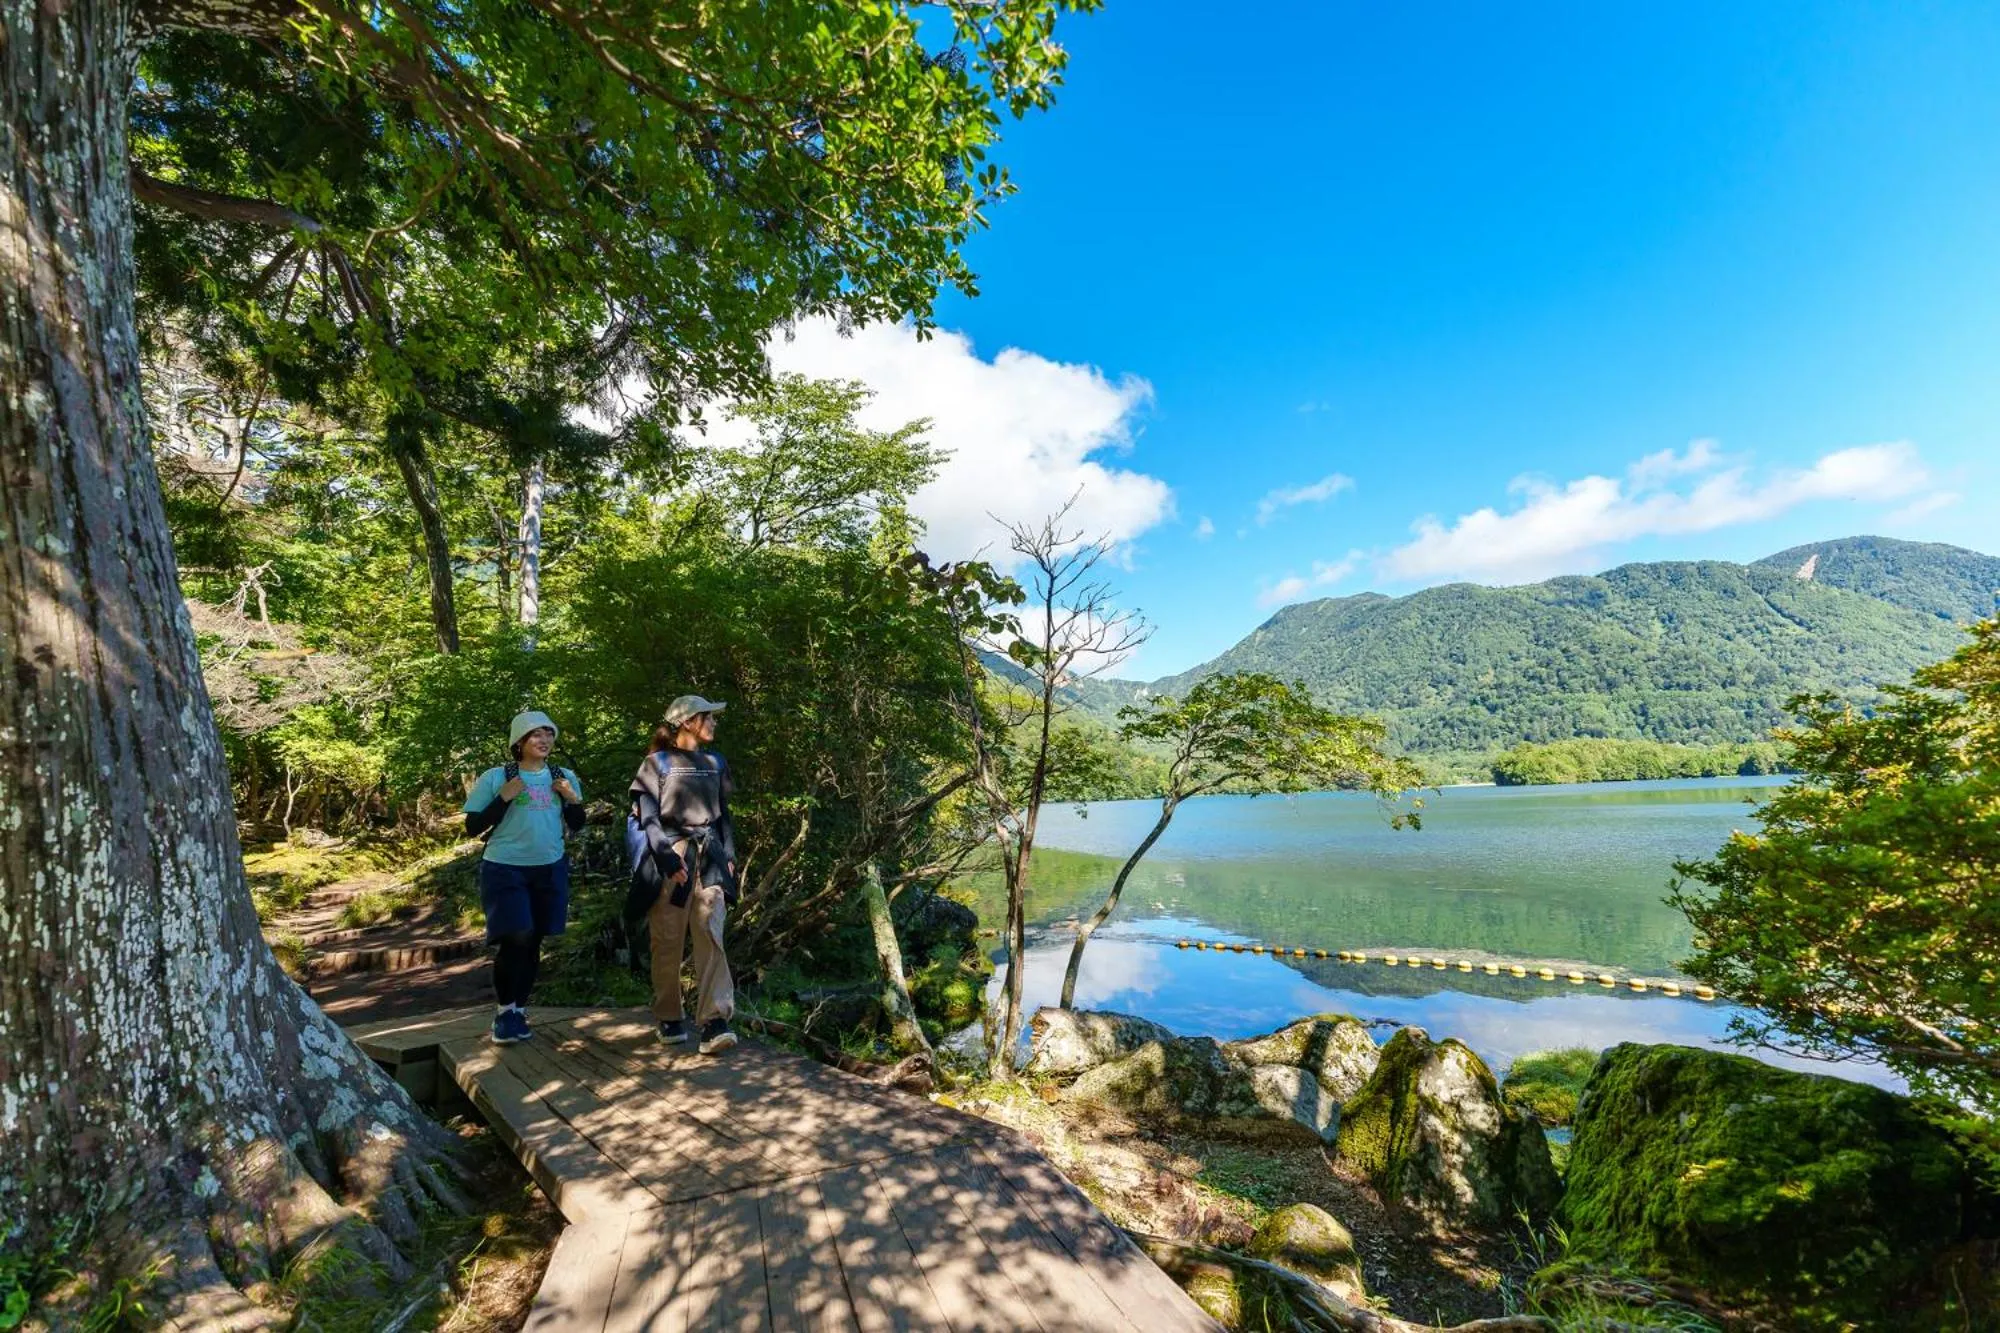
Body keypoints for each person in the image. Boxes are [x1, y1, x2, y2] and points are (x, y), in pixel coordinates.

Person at [464, 710, 585, 1044]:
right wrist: (503, 797)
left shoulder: (563, 776)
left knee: (534, 940)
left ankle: (518, 1010)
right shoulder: (496, 777)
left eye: (549, 734)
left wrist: (572, 799)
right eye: (536, 735)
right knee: (516, 935)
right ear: (519, 742)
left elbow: (577, 823)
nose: (544, 740)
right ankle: (504, 1012)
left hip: (550, 866)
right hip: (505, 867)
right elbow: (473, 827)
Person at [630, 694, 740, 1054]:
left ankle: (715, 1021)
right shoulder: (656, 763)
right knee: (668, 939)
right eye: (709, 717)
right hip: (672, 857)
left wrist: (730, 856)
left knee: (712, 933)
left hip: (710, 857)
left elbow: (723, 814)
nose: (714, 724)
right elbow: (647, 817)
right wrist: (665, 858)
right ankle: (669, 1015)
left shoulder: (715, 761)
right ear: (689, 721)